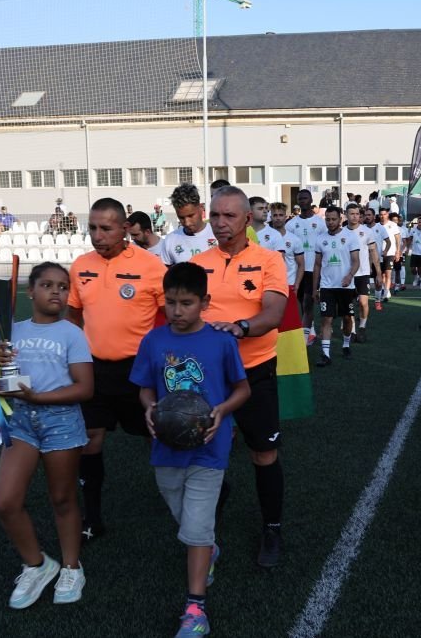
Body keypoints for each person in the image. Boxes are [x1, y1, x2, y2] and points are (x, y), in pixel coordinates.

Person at [130, 262, 250, 638]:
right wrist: (149, 407)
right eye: (171, 302)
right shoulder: (153, 341)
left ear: (205, 302)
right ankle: (208, 549)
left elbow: (242, 389)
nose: (177, 311)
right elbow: (145, 388)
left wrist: (222, 411)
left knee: (196, 526)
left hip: (209, 448)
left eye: (186, 303)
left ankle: (195, 608)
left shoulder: (221, 342)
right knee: (182, 513)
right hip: (166, 449)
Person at [191, 185, 290, 568]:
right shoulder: (198, 263)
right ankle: (209, 515)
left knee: (263, 453)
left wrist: (241, 328)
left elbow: (274, 313)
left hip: (254, 372)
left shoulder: (269, 260)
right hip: (208, 376)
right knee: (203, 452)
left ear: (247, 219)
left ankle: (272, 528)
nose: (220, 223)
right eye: (215, 215)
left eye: (229, 215)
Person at [67, 198, 168, 543]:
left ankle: (184, 496)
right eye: (92, 228)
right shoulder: (81, 266)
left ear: (124, 228)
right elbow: (72, 314)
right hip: (94, 371)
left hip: (139, 372)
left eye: (105, 228)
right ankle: (92, 518)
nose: (97, 235)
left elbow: (172, 315)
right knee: (90, 439)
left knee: (157, 435)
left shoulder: (150, 265)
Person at [0, 261, 94, 609]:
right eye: (48, 285)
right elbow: (1, 381)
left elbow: (85, 388)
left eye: (63, 287)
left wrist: (39, 397)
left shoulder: (72, 333)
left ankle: (71, 566)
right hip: (21, 422)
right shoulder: (12, 330)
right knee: (5, 501)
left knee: (63, 500)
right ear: (30, 291)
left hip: (61, 423)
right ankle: (37, 564)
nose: (57, 292)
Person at [311, 205, 361, 365]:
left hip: (346, 287)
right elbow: (317, 265)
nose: (330, 222)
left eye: (333, 219)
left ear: (340, 219)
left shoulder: (351, 237)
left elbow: (356, 261)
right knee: (326, 319)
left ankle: (346, 345)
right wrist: (315, 288)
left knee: (347, 318)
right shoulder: (320, 239)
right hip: (327, 287)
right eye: (328, 219)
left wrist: (349, 276)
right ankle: (326, 355)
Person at [286, 189, 328, 345]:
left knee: (307, 301)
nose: (302, 201)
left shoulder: (320, 223)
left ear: (311, 200)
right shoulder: (291, 224)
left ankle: (306, 337)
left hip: (313, 269)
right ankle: (311, 330)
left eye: (305, 198)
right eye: (300, 199)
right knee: (301, 302)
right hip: (297, 270)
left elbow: (325, 243)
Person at [345, 203, 380, 342]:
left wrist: (378, 273)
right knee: (349, 304)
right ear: (346, 215)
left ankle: (362, 327)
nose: (355, 216)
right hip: (347, 274)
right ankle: (353, 330)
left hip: (363, 273)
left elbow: (373, 252)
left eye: (357, 214)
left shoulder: (367, 231)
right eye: (351, 214)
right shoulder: (341, 232)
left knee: (363, 303)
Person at [161, 183, 218, 265]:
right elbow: (165, 271)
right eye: (181, 218)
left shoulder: (218, 234)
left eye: (191, 216)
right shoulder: (170, 241)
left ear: (201, 208)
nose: (187, 223)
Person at [259, 202, 305, 289]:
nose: (278, 218)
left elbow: (301, 264)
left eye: (281, 215)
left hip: (289, 284)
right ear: (271, 217)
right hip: (268, 284)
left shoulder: (295, 239)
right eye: (275, 215)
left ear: (285, 217)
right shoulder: (262, 237)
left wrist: (297, 284)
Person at [405, 215, 421, 290]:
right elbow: (410, 239)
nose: (420, 224)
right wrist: (407, 249)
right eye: (419, 222)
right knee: (413, 269)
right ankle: (416, 277)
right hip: (414, 253)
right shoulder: (413, 229)